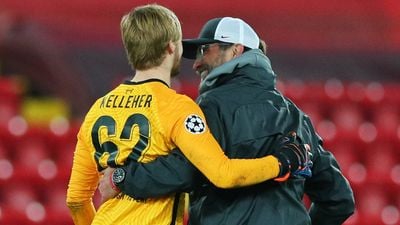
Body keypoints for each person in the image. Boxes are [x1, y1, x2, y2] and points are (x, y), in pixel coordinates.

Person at [66, 5, 311, 225]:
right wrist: (281, 162)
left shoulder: (97, 109)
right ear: (172, 46)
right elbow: (223, 174)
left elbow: (76, 200)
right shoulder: (177, 107)